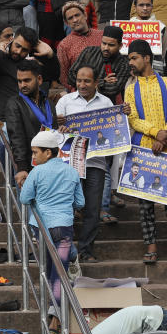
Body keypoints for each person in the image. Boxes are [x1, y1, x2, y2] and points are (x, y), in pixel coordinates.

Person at [124, 40, 167, 263]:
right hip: (143, 149)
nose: (130, 62)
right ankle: (151, 246)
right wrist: (156, 133)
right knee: (145, 203)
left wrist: (165, 136)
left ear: (147, 58)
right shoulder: (130, 88)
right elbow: (133, 119)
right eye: (129, 59)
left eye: (134, 58)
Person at [18, 130, 83, 334]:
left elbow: (25, 198)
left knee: (50, 271)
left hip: (43, 228)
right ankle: (55, 317)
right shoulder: (72, 172)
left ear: (48, 152)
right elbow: (80, 202)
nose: (33, 157)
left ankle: (54, 319)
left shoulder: (37, 172)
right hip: (64, 228)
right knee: (60, 272)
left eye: (36, 153)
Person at [57, 66, 115, 263]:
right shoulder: (65, 101)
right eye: (79, 81)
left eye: (87, 81)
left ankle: (87, 251)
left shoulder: (106, 102)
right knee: (66, 206)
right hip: (69, 164)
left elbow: (113, 131)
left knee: (92, 208)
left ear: (96, 82)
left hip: (96, 163)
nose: (82, 85)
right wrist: (61, 127)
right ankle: (65, 250)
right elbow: (56, 132)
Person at [6, 60, 55, 176]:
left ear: (39, 79)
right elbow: (16, 137)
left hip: (51, 164)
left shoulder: (49, 103)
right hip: (29, 166)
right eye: (19, 81)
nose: (22, 85)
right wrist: (22, 168)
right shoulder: (14, 103)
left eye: (27, 80)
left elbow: (55, 132)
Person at [66, 26, 130, 103]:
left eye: (111, 45)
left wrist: (85, 81)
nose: (106, 48)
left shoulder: (123, 64)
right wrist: (102, 81)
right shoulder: (89, 52)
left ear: (120, 46)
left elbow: (113, 89)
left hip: (104, 106)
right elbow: (71, 76)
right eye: (104, 43)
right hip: (79, 102)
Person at [56, 2, 103, 91]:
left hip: (107, 90)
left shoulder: (102, 35)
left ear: (85, 15)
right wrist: (79, 90)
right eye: (70, 18)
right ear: (67, 23)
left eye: (77, 15)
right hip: (81, 94)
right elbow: (64, 77)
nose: (75, 20)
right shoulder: (64, 45)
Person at [129, 0, 167, 74]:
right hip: (132, 72)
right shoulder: (127, 26)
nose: (145, 8)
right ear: (135, 7)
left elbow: (163, 51)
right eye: (141, 5)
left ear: (152, 7)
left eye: (148, 5)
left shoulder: (161, 27)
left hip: (155, 70)